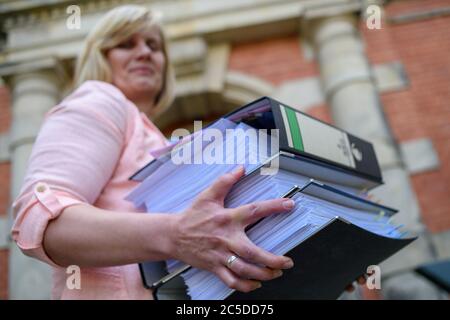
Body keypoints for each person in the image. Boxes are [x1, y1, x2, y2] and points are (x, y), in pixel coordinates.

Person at [11, 5, 364, 300]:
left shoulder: (155, 139)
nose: (145, 52)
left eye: (153, 44)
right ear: (98, 57)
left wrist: (310, 261)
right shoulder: (99, 100)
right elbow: (39, 222)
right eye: (125, 43)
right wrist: (174, 235)